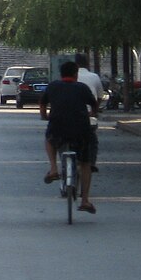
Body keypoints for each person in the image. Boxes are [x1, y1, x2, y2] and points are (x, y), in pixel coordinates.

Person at [39, 60, 98, 214]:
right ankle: (85, 200)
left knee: (49, 138)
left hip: (57, 128)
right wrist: (92, 113)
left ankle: (53, 169)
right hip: (81, 130)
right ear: (75, 74)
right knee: (85, 163)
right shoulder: (82, 88)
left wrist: (44, 116)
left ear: (61, 74)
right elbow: (94, 105)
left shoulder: (53, 86)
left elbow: (43, 104)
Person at [74, 54, 104, 173]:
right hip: (89, 118)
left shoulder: (68, 77)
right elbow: (100, 97)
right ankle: (91, 162)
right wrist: (95, 110)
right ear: (87, 63)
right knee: (92, 140)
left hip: (68, 118)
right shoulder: (94, 77)